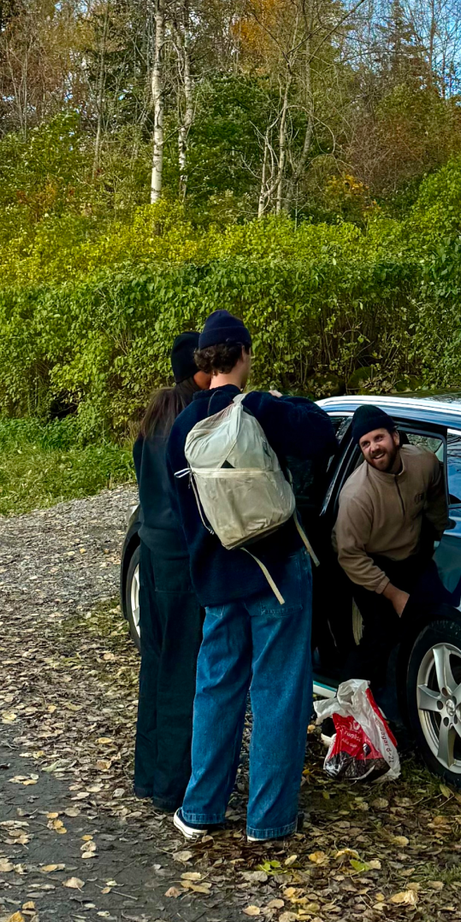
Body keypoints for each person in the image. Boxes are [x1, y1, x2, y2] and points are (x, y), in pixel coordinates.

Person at [166, 310, 336, 843]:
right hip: (276, 573)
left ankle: (200, 810)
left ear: (204, 362)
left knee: (216, 691)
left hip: (217, 581)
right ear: (242, 354)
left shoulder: (181, 429)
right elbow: (322, 435)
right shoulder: (259, 409)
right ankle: (267, 820)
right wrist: (287, 401)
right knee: (278, 693)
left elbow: (183, 508)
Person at [132, 332, 213, 813]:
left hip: (151, 554)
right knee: (184, 671)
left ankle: (149, 775)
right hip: (183, 561)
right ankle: (174, 787)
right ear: (199, 369)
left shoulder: (153, 419)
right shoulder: (194, 421)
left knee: (156, 666)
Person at [333, 404, 451, 695]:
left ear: (396, 438)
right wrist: (393, 593)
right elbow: (350, 555)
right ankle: (348, 706)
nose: (374, 448)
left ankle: (420, 686)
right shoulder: (357, 496)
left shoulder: (424, 463)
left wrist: (442, 542)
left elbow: (437, 503)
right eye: (365, 444)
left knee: (437, 612)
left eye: (378, 438)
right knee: (381, 634)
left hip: (413, 551)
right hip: (370, 563)